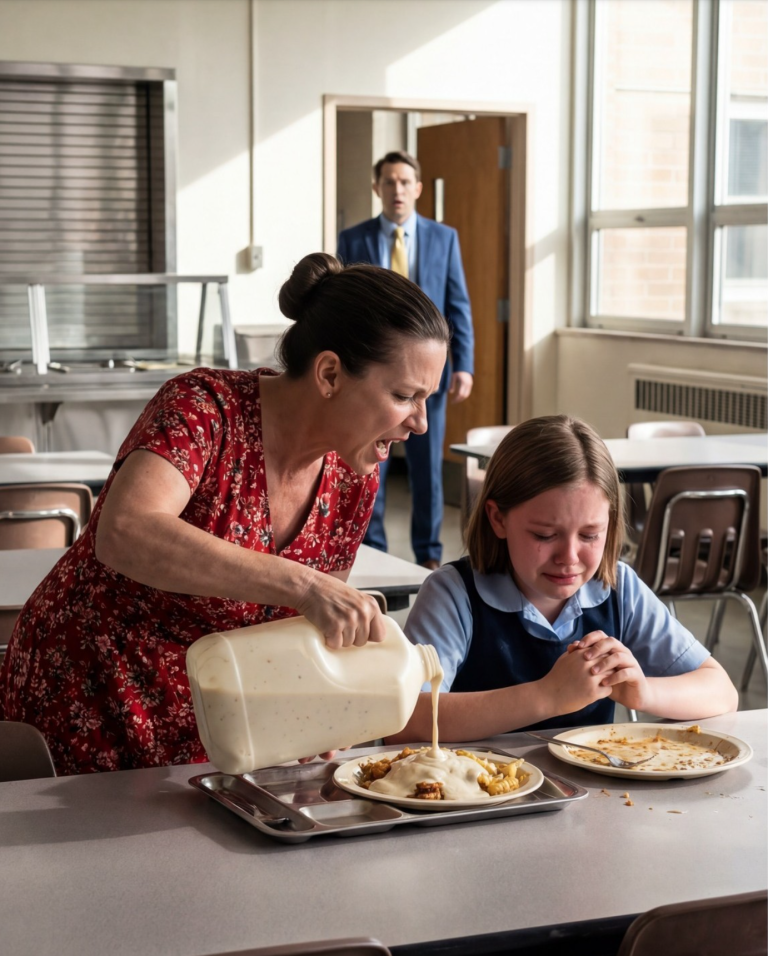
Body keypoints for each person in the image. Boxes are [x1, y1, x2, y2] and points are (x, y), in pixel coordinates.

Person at [0, 253, 450, 775]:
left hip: (213, 719)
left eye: (427, 399)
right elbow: (125, 531)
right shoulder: (204, 408)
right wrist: (304, 585)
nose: (420, 423)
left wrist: (318, 705)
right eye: (404, 396)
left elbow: (302, 632)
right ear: (329, 374)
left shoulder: (355, 475)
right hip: (86, 694)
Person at [390, 415, 738, 743]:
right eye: (544, 535)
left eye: (590, 535)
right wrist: (547, 696)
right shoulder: (454, 594)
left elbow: (721, 691)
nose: (569, 557)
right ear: (498, 519)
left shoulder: (619, 589)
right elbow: (403, 723)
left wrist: (644, 692)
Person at [337, 150, 474, 570]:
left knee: (427, 468)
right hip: (375, 375)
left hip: (429, 376)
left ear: (417, 188)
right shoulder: (353, 239)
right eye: (389, 181)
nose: (396, 189)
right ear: (377, 188)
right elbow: (345, 307)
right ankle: (373, 549)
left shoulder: (443, 238)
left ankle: (428, 555)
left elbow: (458, 305)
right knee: (370, 460)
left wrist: (464, 365)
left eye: (404, 181)